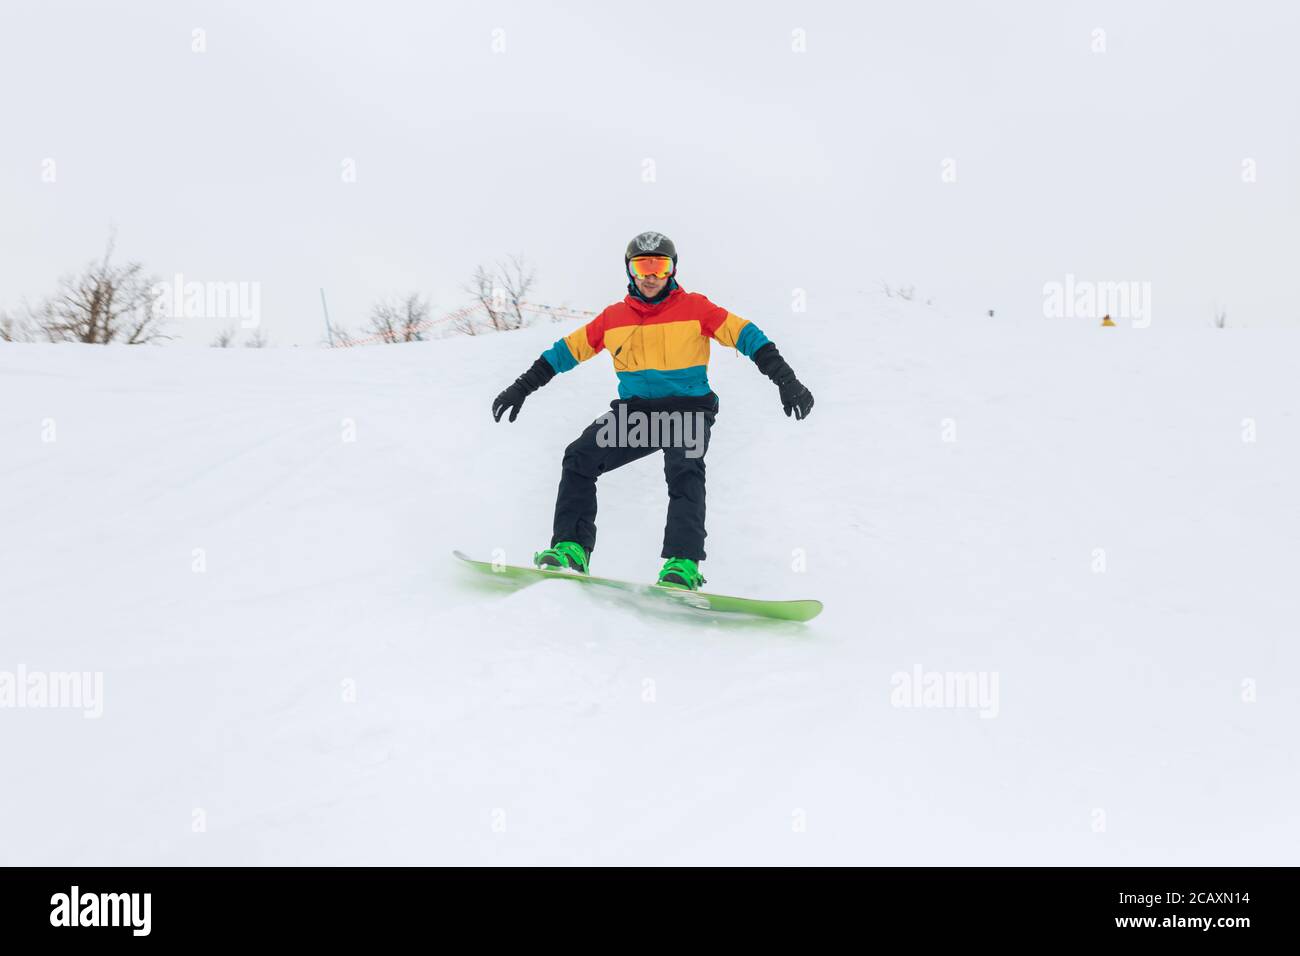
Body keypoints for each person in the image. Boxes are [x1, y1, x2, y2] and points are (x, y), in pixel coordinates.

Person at [491, 231, 813, 590]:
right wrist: (522, 387)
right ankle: (571, 549)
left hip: (688, 412)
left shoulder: (696, 308)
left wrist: (786, 380)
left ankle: (682, 565)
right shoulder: (614, 318)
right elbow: (565, 352)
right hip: (636, 416)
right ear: (630, 271)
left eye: (659, 266)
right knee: (579, 458)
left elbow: (748, 336)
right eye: (642, 266)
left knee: (685, 469)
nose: (650, 275)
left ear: (672, 270)